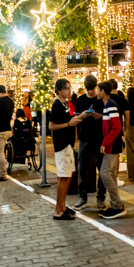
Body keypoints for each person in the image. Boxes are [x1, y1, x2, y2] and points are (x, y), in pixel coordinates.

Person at [49, 78, 83, 220]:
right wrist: (69, 124)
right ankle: (58, 209)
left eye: (69, 88)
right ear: (59, 90)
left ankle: (62, 206)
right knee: (64, 176)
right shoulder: (57, 104)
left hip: (67, 144)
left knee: (67, 175)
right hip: (62, 145)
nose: (69, 91)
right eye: (66, 88)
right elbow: (51, 126)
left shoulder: (64, 104)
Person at [75, 74, 106, 211]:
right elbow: (76, 118)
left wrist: (100, 116)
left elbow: (108, 118)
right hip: (85, 137)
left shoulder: (101, 99)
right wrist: (83, 115)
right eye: (88, 89)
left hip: (99, 137)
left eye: (92, 89)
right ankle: (82, 196)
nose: (90, 92)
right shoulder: (81, 99)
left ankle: (101, 197)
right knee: (82, 167)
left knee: (102, 168)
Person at [96, 81, 126, 218]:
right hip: (112, 144)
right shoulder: (108, 105)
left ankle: (117, 205)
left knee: (105, 173)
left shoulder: (110, 105)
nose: (97, 92)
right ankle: (116, 205)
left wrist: (105, 142)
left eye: (98, 90)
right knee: (110, 174)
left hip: (112, 145)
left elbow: (116, 127)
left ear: (103, 91)